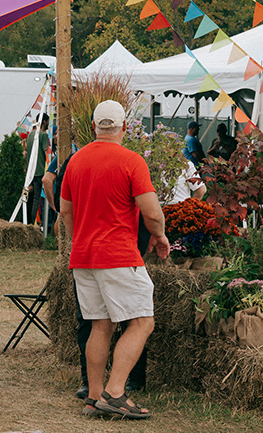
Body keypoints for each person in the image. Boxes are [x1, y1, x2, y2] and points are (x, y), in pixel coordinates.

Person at [60, 100, 168, 420]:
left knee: (100, 325)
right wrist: (159, 235)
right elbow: (151, 212)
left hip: (84, 255)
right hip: (118, 254)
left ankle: (94, 397)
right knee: (141, 322)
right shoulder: (131, 161)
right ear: (124, 127)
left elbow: (65, 211)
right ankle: (116, 392)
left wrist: (78, 235)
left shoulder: (75, 161)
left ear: (94, 127)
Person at [25, 114, 51, 225]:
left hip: (31, 170)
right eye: (48, 121)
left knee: (31, 198)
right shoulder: (43, 135)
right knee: (38, 198)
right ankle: (36, 222)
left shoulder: (30, 135)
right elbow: (46, 153)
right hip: (40, 170)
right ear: (44, 121)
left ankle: (30, 220)